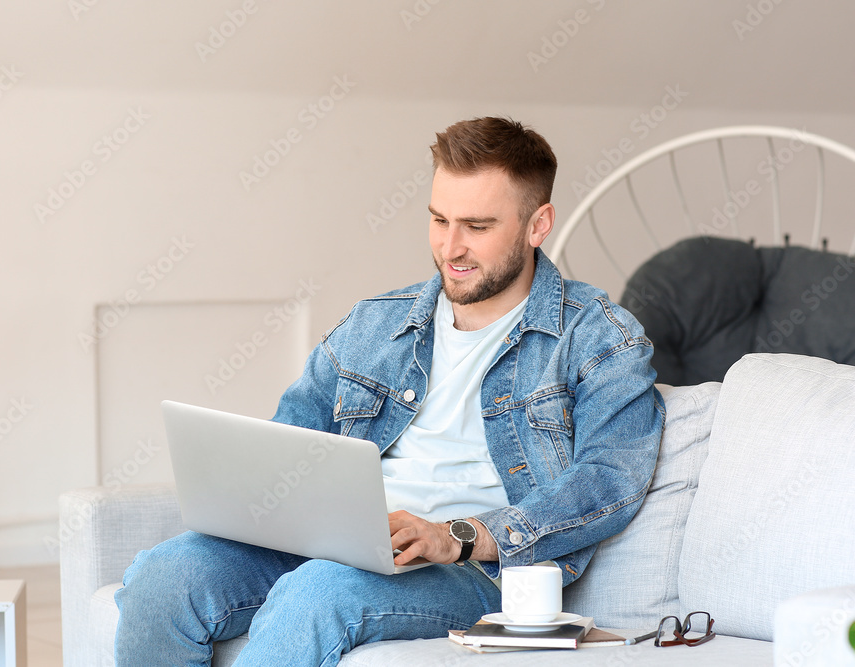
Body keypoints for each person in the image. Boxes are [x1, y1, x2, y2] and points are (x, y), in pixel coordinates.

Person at [114, 116, 665, 666]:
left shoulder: (598, 337)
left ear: (537, 224)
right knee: (165, 577)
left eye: (477, 226)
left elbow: (610, 480)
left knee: (318, 594)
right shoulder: (375, 324)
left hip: (471, 570)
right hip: (342, 542)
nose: (451, 247)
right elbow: (291, 441)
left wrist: (459, 535)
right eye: (439, 219)